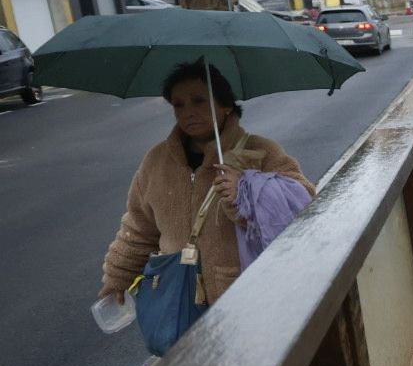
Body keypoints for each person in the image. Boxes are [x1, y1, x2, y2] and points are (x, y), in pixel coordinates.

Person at [99, 62, 314, 311]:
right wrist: (117, 277)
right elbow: (139, 228)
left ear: (225, 106)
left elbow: (303, 201)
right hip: (178, 297)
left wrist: (245, 191)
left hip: (246, 295)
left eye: (198, 100)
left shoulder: (259, 151)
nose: (187, 112)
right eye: (178, 104)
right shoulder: (156, 161)